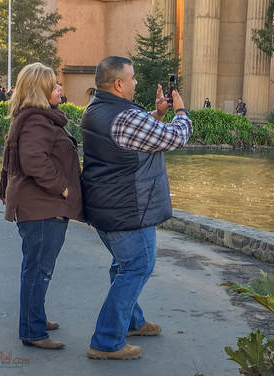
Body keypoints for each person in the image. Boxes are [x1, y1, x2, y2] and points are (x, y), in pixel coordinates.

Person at [81, 56, 193, 360]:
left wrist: (156, 113)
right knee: (137, 267)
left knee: (123, 266)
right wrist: (180, 109)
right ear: (119, 84)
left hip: (105, 208)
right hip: (129, 211)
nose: (135, 82)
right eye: (132, 78)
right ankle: (105, 342)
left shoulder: (97, 109)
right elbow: (176, 137)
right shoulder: (125, 117)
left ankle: (131, 321)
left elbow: (131, 137)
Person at [0, 62, 83, 349]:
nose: (60, 88)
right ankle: (33, 332)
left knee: (37, 268)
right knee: (38, 270)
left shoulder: (37, 118)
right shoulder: (36, 121)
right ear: (41, 90)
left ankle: (35, 317)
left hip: (40, 207)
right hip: (42, 207)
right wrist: (64, 187)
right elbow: (34, 160)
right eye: (54, 85)